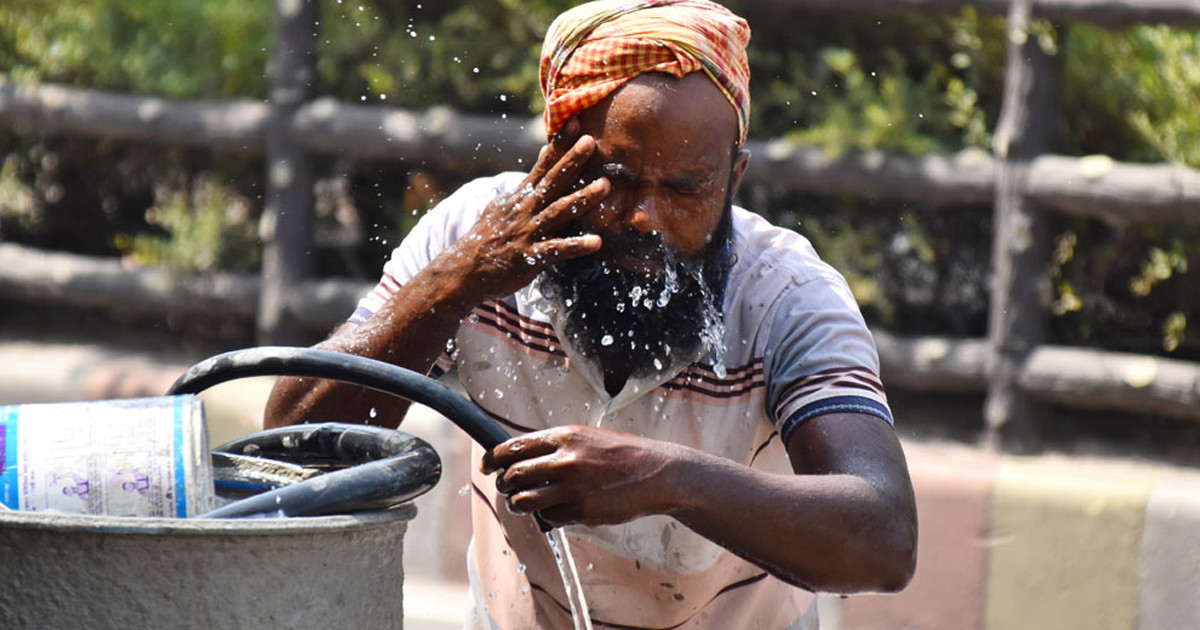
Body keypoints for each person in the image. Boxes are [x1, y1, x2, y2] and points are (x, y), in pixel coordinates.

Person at [265, 1, 917, 627]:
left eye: (685, 189)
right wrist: (455, 285)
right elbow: (293, 437)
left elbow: (885, 537)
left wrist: (668, 480)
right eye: (614, 178)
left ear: (733, 179)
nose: (644, 217)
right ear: (558, 154)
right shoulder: (479, 236)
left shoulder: (786, 295)